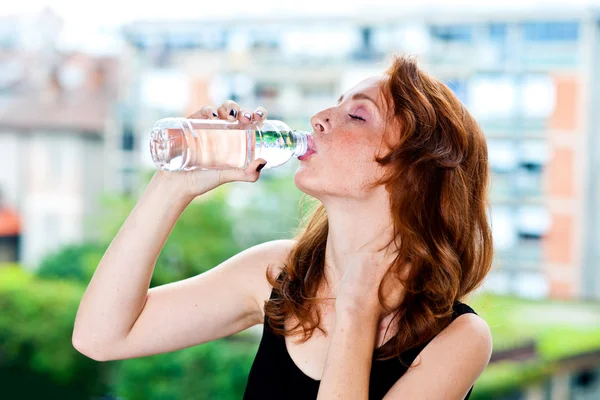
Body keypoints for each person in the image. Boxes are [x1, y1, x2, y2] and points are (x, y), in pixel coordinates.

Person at [72, 55, 494, 399]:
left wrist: (357, 309)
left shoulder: (459, 339)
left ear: (413, 171)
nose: (319, 118)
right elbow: (101, 336)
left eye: (357, 115)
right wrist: (174, 184)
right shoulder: (278, 272)